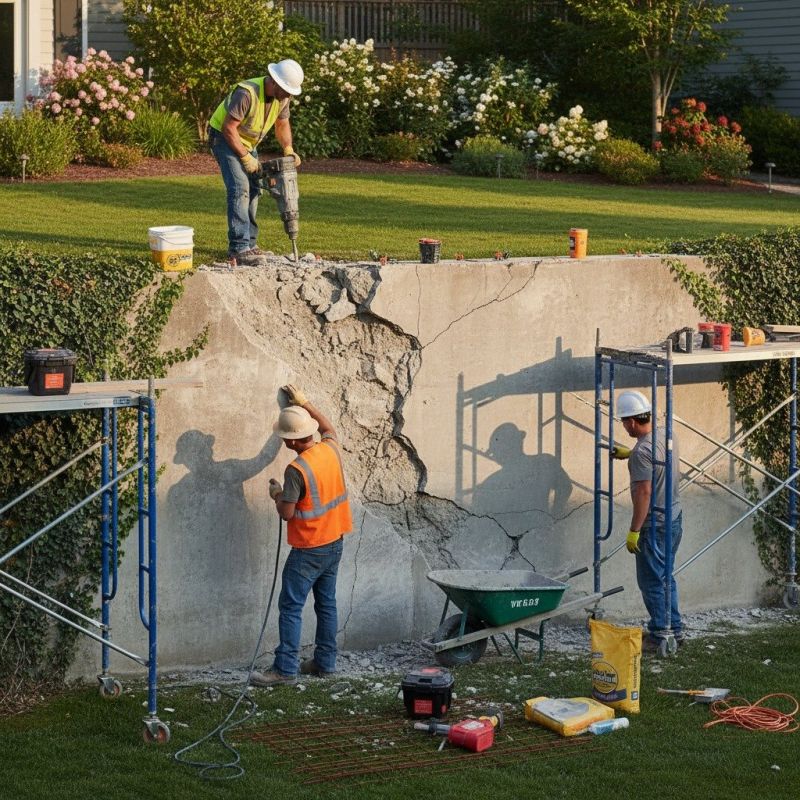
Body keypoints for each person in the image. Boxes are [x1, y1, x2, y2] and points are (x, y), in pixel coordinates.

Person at [251, 384, 353, 686]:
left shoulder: (296, 470)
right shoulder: (330, 449)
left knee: (291, 606)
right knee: (326, 604)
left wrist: (276, 493)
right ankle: (325, 663)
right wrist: (305, 403)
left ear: (292, 442)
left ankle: (284, 670)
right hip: (335, 542)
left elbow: (287, 513)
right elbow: (329, 427)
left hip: (309, 547)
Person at [207, 59, 304, 267]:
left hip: (247, 142)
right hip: (223, 137)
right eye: (286, 90)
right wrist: (244, 157)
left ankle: (250, 244)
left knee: (254, 190)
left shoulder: (282, 99)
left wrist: (288, 148)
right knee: (240, 187)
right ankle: (239, 248)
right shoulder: (247, 93)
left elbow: (282, 123)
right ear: (275, 83)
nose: (288, 95)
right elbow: (228, 128)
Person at [614, 390, 683, 650]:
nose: (624, 427)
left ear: (632, 421)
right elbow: (656, 462)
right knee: (666, 577)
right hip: (674, 517)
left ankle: (659, 636)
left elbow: (644, 492)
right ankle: (674, 629)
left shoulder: (642, 451)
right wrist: (630, 454)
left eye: (624, 422)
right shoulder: (667, 434)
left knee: (652, 581)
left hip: (655, 524)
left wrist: (634, 530)